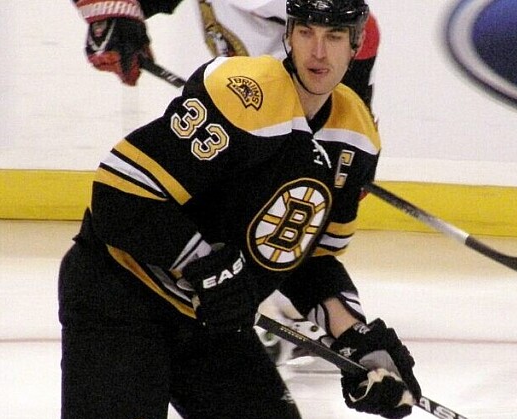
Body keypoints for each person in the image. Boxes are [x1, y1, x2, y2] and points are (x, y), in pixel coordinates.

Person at [21, 1, 422, 419]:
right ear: (289, 35)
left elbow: (311, 259)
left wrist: (358, 340)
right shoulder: (242, 92)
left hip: (206, 315)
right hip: (121, 291)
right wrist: (206, 265)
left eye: (335, 36)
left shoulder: (355, 135)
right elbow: (118, 195)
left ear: (356, 45)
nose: (318, 51)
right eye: (307, 32)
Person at [71, 0, 381, 369]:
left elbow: (359, 29)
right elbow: (122, 194)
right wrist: (122, 18)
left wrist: (339, 135)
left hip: (286, 124)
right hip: (249, 114)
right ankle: (259, 308)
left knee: (269, 235)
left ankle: (270, 309)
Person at [71, 0, 380, 106]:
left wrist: (346, 124)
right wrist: (116, 20)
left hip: (292, 120)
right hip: (252, 113)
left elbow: (361, 32)